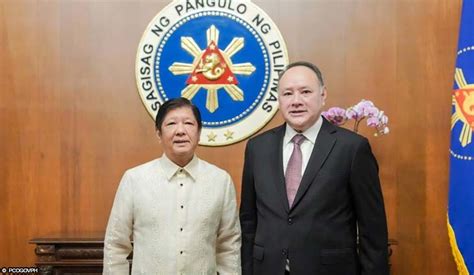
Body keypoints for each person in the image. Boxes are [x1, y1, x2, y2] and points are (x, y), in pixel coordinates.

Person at [240, 61, 388, 275]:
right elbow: (248, 220)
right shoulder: (257, 148)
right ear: (279, 99)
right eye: (287, 94)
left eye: (305, 92)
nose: (296, 101)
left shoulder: (352, 148)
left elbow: (372, 230)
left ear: (323, 95)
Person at [104, 98, 241, 274]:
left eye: (188, 123)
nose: (180, 131)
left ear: (199, 132)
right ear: (158, 133)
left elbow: (229, 247)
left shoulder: (221, 181)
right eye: (171, 124)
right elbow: (115, 245)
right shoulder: (134, 179)